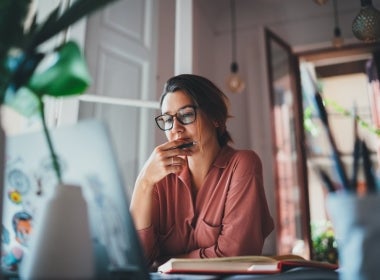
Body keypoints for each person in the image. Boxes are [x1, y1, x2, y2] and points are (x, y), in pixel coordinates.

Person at [130, 74, 274, 269]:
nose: (176, 130)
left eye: (186, 115)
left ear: (215, 118)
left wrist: (165, 262)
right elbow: (136, 260)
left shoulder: (242, 164)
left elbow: (234, 257)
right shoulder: (158, 178)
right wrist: (144, 182)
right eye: (167, 119)